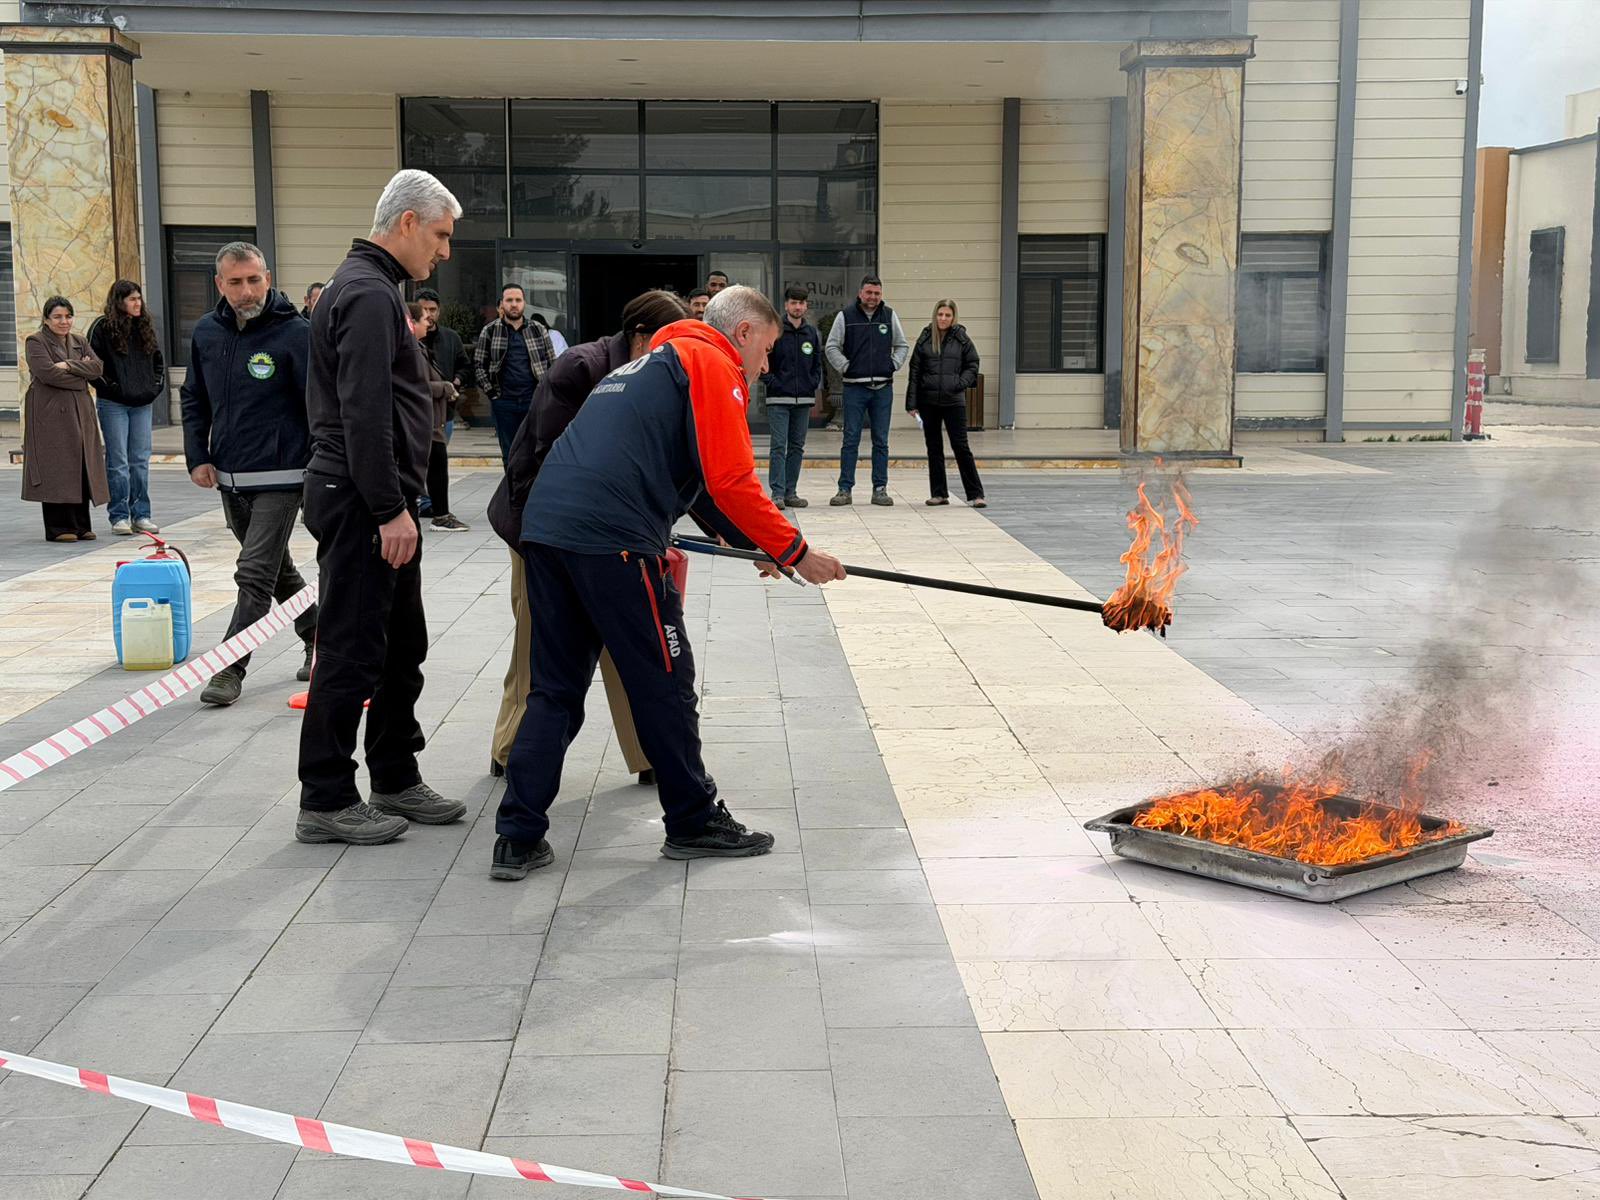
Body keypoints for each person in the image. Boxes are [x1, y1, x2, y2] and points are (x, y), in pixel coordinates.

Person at [492, 286, 846, 880]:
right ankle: (693, 820)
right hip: (614, 542)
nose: (764, 367)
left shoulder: (648, 364)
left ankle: (517, 836)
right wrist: (798, 551)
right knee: (665, 681)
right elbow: (732, 479)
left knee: (553, 690)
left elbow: (701, 479)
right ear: (743, 332)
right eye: (766, 350)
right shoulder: (712, 362)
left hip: (547, 534)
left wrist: (762, 546)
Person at [296, 169, 468, 846]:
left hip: (373, 496)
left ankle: (395, 774)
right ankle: (326, 796)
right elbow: (363, 411)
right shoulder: (367, 293)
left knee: (401, 645)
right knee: (353, 648)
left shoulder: (372, 287)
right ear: (407, 222)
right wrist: (390, 508)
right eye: (440, 235)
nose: (444, 251)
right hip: (361, 499)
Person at [486, 289, 689, 782]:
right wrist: (545, 542)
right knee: (539, 645)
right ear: (640, 336)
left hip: (615, 534)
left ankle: (650, 754)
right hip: (540, 526)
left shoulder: (659, 378)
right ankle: (513, 749)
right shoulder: (580, 368)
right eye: (669, 343)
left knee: (631, 642)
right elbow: (542, 457)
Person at [181, 242, 320, 706]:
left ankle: (230, 668)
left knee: (254, 572)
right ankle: (317, 634)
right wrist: (197, 455)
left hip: (283, 476)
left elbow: (318, 406)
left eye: (254, 280)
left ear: (268, 278)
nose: (247, 291)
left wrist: (321, 465)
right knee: (278, 571)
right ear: (220, 284)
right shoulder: (207, 332)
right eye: (236, 282)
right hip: (230, 477)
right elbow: (194, 397)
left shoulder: (296, 333)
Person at [21, 297, 107, 543]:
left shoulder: (79, 341)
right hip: (50, 414)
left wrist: (68, 365)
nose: (64, 321)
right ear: (46, 320)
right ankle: (58, 527)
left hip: (80, 411)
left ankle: (81, 525)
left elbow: (98, 369)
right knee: (57, 466)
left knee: (81, 464)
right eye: (57, 317)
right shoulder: (36, 341)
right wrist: (81, 373)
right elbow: (47, 373)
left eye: (68, 316)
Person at [89, 279, 165, 536]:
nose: (138, 303)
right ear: (119, 301)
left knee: (140, 461)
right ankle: (119, 516)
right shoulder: (101, 327)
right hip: (113, 404)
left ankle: (141, 514)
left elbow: (158, 362)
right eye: (132, 299)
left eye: (139, 298)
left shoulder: (145, 326)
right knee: (118, 461)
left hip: (142, 403)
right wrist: (113, 388)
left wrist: (154, 388)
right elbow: (92, 366)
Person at [827, 274, 909, 507]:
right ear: (860, 293)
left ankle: (880, 489)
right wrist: (846, 366)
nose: (873, 297)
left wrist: (892, 365)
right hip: (854, 389)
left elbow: (902, 345)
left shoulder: (889, 316)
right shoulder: (845, 316)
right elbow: (832, 346)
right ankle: (844, 489)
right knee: (850, 439)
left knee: (881, 440)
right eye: (869, 292)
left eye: (877, 293)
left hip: (882, 389)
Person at [907, 299, 986, 508]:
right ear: (935, 315)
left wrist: (960, 383)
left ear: (953, 317)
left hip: (954, 401)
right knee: (934, 448)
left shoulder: (961, 338)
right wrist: (911, 403)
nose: (943, 318)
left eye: (947, 315)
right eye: (940, 314)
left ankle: (976, 494)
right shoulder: (925, 338)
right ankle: (939, 493)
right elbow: (914, 371)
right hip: (928, 401)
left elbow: (973, 364)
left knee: (961, 446)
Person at [473, 283, 557, 463]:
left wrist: (546, 394)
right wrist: (492, 393)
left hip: (534, 400)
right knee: (509, 453)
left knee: (535, 451)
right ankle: (512, 482)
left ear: (524, 303)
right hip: (504, 402)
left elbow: (553, 364)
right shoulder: (490, 330)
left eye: (518, 300)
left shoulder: (538, 329)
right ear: (502, 304)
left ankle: (532, 482)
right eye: (509, 300)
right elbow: (479, 365)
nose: (513, 304)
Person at [406, 302, 468, 533]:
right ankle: (437, 516)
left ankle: (440, 514)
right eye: (424, 318)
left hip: (434, 420)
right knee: (430, 469)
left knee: (437, 468)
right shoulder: (410, 351)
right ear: (411, 323)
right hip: (424, 422)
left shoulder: (420, 348)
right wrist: (444, 387)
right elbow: (416, 385)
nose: (428, 321)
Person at [761, 284, 822, 510]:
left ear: (806, 306)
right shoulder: (775, 330)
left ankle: (790, 492)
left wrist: (811, 383)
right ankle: (777, 493)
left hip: (803, 400)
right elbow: (762, 360)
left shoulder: (811, 333)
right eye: (793, 302)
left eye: (801, 303)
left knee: (797, 446)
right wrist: (773, 383)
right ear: (786, 305)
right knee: (779, 446)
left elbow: (817, 363)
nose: (798, 307)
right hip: (778, 399)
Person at [416, 287, 466, 443]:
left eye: (432, 310)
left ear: (439, 311)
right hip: (417, 410)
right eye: (424, 309)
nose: (428, 314)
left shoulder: (451, 337)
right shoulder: (407, 340)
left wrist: (456, 381)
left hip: (446, 411)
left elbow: (464, 366)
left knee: (440, 453)